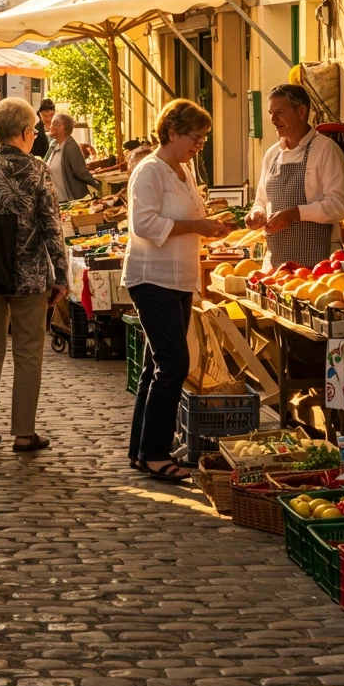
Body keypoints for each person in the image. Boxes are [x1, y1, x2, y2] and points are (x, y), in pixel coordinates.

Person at [123, 99, 229, 482]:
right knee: (174, 365)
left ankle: (141, 450)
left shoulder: (181, 169)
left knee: (156, 366)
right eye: (195, 136)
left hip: (179, 278)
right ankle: (155, 452)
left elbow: (186, 218)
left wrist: (208, 227)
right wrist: (198, 226)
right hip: (152, 277)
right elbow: (145, 224)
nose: (200, 144)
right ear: (172, 132)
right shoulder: (149, 170)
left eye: (203, 138)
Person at [0, 98, 67, 452]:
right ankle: (24, 433)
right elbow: (51, 225)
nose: (34, 135)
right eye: (34, 130)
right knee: (28, 353)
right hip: (29, 275)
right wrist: (61, 274)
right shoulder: (37, 170)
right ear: (24, 132)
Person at [245, 83, 344, 270]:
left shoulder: (325, 149)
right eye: (270, 113)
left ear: (302, 112)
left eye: (279, 112)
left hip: (320, 265)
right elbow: (261, 200)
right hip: (276, 265)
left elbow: (340, 206)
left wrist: (294, 214)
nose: (273, 119)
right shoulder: (272, 154)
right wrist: (257, 214)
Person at [45, 113, 99, 202]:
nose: (50, 126)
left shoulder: (71, 147)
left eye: (53, 124)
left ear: (61, 127)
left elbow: (80, 171)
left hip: (69, 201)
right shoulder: (54, 145)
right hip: (58, 202)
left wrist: (96, 183)